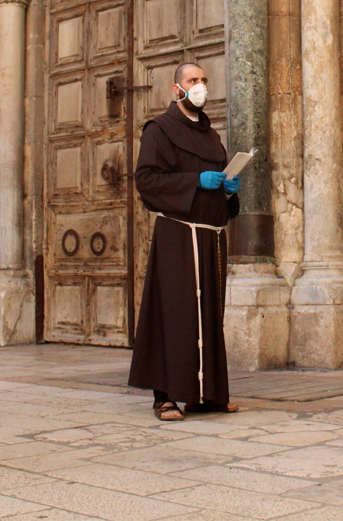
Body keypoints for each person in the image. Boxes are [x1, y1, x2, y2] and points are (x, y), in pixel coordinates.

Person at [128, 62, 241, 421]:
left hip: (210, 237)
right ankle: (164, 397)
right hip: (178, 235)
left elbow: (219, 187)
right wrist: (195, 181)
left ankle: (204, 396)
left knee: (208, 317)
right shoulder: (158, 130)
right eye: (193, 80)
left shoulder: (212, 136)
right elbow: (147, 180)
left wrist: (228, 190)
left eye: (204, 80)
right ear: (177, 88)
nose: (200, 85)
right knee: (174, 313)